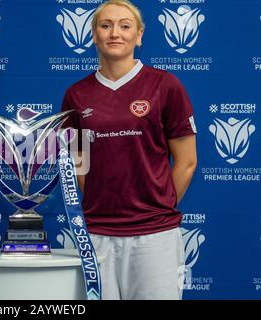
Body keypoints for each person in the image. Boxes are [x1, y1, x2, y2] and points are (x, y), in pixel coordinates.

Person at [61, 0, 197, 300]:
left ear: (139, 35)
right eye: (106, 25)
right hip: (97, 233)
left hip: (155, 235)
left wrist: (155, 205)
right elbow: (77, 160)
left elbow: (187, 161)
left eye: (125, 25)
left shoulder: (165, 85)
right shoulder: (76, 94)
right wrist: (104, 200)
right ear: (94, 35)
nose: (115, 32)